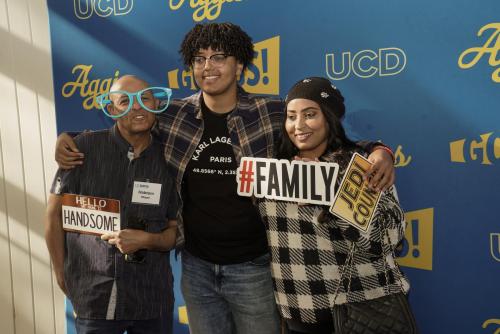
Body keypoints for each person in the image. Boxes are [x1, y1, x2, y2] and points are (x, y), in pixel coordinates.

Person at [54, 23, 396, 334]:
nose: (208, 66)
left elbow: (327, 133)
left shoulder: (272, 112)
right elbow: (128, 122)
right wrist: (69, 138)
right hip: (197, 268)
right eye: (200, 59)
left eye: (219, 57)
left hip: (255, 268)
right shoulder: (173, 115)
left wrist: (379, 150)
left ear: (240, 66)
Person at [257, 77, 409, 334]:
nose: (299, 125)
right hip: (300, 317)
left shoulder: (360, 166)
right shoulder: (274, 170)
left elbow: (386, 241)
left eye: (310, 114)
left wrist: (332, 195)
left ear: (329, 118)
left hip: (364, 313)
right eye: (291, 116)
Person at [44, 75, 179, 334]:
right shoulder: (82, 148)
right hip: (94, 297)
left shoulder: (170, 159)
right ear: (111, 109)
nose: (137, 107)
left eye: (145, 98)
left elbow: (174, 230)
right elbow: (53, 216)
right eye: (125, 101)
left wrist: (146, 240)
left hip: (151, 297)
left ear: (155, 104)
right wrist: (61, 273)